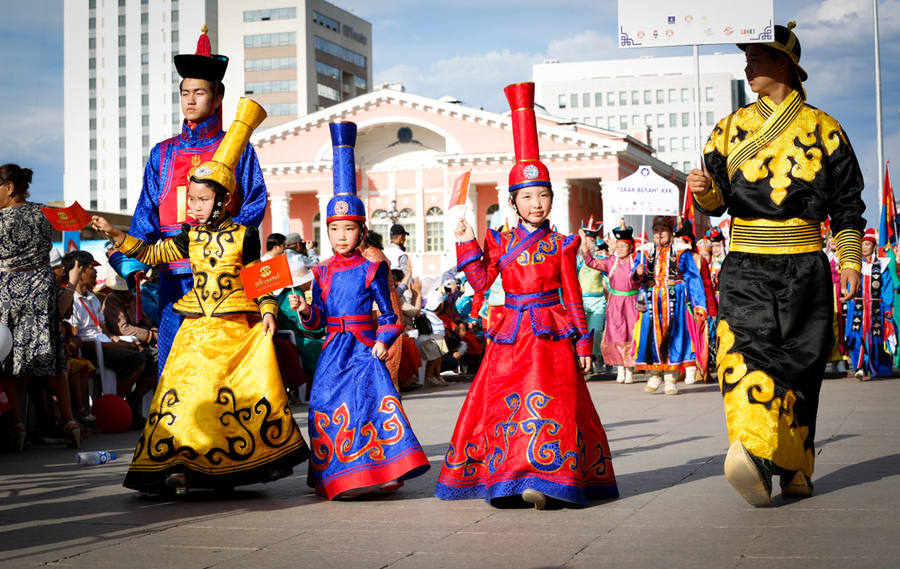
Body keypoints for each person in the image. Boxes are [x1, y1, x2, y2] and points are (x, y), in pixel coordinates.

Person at [688, 22, 866, 506]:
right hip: (746, 261)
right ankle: (751, 450)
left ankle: (794, 465)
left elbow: (848, 204)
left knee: (801, 366)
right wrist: (705, 193)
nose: (747, 66)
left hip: (806, 262)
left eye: (756, 58)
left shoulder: (825, 129)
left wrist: (849, 259)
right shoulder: (729, 128)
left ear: (782, 63)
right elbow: (718, 202)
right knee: (744, 353)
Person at [92, 98, 308, 495]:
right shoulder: (188, 236)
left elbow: (259, 278)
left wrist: (269, 312)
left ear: (224, 200)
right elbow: (153, 254)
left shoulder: (246, 235)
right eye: (190, 199)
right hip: (194, 329)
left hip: (234, 330)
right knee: (183, 397)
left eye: (202, 200)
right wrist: (115, 235)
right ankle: (180, 464)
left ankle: (254, 464)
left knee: (243, 394)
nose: (193, 206)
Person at [435, 82, 618, 509]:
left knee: (556, 404)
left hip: (552, 334)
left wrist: (584, 341)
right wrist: (465, 242)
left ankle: (551, 479)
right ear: (514, 202)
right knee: (506, 406)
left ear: (551, 199)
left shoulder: (564, 244)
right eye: (528, 196)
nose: (537, 203)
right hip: (511, 335)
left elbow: (572, 296)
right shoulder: (498, 240)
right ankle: (510, 479)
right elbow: (481, 283)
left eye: (543, 195)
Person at [289, 121, 429, 500]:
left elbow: (388, 315)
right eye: (334, 229)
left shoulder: (373, 267)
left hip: (364, 347)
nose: (340, 236)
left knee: (366, 405)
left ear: (361, 232)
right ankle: (337, 476)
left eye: (348, 229)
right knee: (322, 406)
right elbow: (319, 319)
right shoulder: (320, 270)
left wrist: (384, 341)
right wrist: (304, 309)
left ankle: (379, 474)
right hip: (333, 348)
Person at [125, 27, 267, 382]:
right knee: (176, 367)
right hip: (175, 279)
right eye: (184, 92)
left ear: (217, 98)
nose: (190, 100)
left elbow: (255, 203)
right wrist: (130, 263)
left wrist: (223, 239)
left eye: (199, 92)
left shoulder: (237, 149)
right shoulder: (163, 153)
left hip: (226, 279)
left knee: (225, 371)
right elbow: (146, 214)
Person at [0, 164, 81, 450]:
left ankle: (18, 425)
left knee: (10, 360)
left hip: (8, 291)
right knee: (53, 358)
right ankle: (70, 421)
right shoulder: (45, 212)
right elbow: (75, 221)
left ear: (9, 188)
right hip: (40, 289)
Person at [65, 250, 156, 428]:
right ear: (80, 272)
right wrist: (118, 344)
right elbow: (77, 339)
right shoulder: (71, 300)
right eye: (92, 268)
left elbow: (106, 332)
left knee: (148, 358)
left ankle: (125, 404)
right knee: (137, 359)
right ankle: (115, 404)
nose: (96, 272)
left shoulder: (93, 299)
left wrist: (124, 342)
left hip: (104, 345)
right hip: (91, 349)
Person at [632, 216, 708, 394]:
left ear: (671, 233)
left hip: (675, 299)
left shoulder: (683, 251)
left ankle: (671, 379)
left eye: (663, 230)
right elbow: (636, 277)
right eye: (656, 230)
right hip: (651, 298)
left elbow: (693, 278)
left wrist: (700, 305)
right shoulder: (644, 251)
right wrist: (639, 272)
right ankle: (655, 373)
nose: (659, 234)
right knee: (650, 335)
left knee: (675, 335)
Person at [578, 221, 640, 384]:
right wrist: (584, 245)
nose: (619, 248)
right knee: (617, 333)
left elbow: (642, 279)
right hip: (615, 303)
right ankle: (620, 368)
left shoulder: (636, 262)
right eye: (617, 245)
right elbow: (591, 262)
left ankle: (630, 370)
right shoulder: (610, 262)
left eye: (623, 245)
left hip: (632, 302)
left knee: (632, 333)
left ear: (631, 247)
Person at [845, 229, 895, 379]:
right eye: (862, 244)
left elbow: (886, 287)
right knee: (856, 336)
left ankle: (878, 368)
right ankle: (859, 367)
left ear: (874, 246)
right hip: (858, 309)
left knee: (876, 338)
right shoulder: (855, 266)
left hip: (876, 309)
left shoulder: (882, 266)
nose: (864, 247)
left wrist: (887, 307)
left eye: (867, 244)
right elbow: (850, 288)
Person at [675, 220, 718, 382]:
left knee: (696, 337)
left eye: (681, 242)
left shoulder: (699, 259)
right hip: (676, 303)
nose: (677, 244)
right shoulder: (671, 257)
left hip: (695, 304)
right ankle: (678, 370)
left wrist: (711, 310)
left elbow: (707, 285)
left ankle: (697, 371)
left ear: (689, 243)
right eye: (676, 241)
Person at [577, 221, 609, 375]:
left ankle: (597, 357)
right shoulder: (577, 261)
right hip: (581, 301)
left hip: (598, 301)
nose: (589, 245)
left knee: (595, 331)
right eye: (587, 241)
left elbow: (609, 281)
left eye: (592, 242)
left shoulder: (599, 261)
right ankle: (584, 358)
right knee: (583, 332)